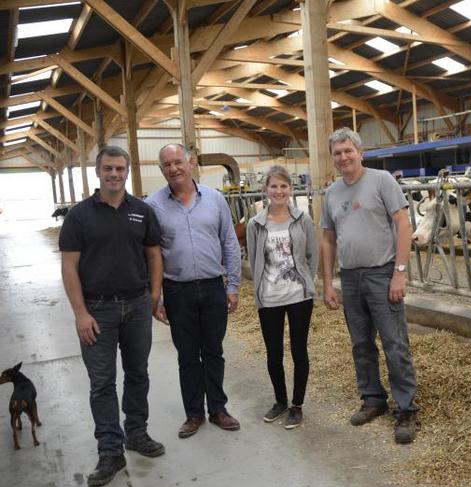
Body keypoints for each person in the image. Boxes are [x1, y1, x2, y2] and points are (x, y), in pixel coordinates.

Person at [60, 145, 165, 487]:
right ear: (98, 171)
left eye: (120, 169)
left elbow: (153, 255)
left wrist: (153, 295)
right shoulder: (79, 215)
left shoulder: (142, 211)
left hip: (136, 306)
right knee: (102, 383)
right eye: (108, 169)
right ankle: (110, 451)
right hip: (97, 310)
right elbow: (70, 266)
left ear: (127, 171)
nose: (115, 175)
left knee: (138, 373)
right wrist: (80, 313)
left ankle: (136, 433)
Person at [320, 127, 419, 444]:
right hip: (350, 277)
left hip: (382, 273)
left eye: (348, 150)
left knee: (395, 343)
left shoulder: (382, 181)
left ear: (360, 152)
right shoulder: (332, 193)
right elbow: (327, 238)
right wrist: (327, 283)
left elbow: (403, 223)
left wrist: (399, 272)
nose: (343, 157)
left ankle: (405, 409)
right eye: (337, 153)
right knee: (361, 343)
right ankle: (373, 398)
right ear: (333, 159)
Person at [145, 143, 242, 439]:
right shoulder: (153, 206)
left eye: (178, 162)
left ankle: (218, 409)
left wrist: (234, 285)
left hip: (213, 287)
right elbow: (152, 255)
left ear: (190, 163)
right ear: (161, 170)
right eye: (166, 165)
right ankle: (194, 414)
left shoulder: (214, 200)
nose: (173, 169)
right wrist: (157, 296)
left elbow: (229, 242)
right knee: (187, 356)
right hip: (178, 291)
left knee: (214, 351)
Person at [246, 166, 318, 430]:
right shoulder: (256, 224)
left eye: (284, 186)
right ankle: (280, 400)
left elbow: (312, 255)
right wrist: (259, 291)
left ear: (291, 189)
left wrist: (308, 283)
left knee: (299, 350)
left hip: (299, 296)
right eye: (274, 186)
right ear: (266, 189)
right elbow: (254, 260)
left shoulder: (303, 219)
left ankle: (297, 405)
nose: (279, 191)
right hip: (269, 297)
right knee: (273, 353)